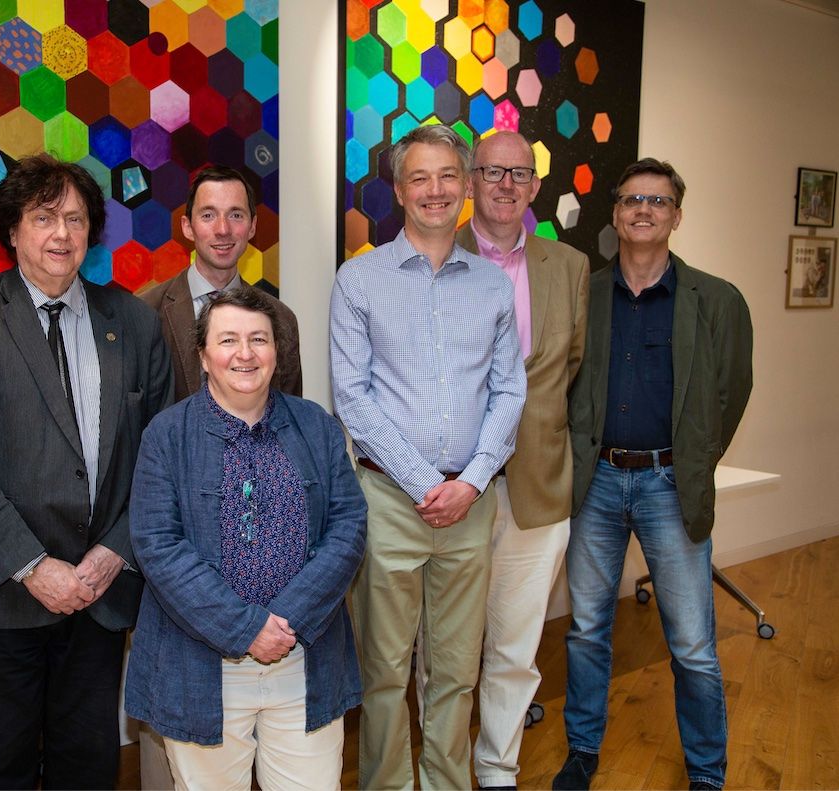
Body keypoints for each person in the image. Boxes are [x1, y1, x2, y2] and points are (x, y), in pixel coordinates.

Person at [0, 153, 173, 789]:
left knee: (87, 765)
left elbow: (160, 462)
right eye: (44, 217)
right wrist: (35, 568)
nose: (62, 234)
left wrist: (111, 554)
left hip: (99, 598)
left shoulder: (135, 322)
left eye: (75, 218)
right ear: (12, 230)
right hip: (5, 598)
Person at [330, 123, 527, 790]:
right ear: (398, 189)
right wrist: (423, 483)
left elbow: (508, 389)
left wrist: (469, 482)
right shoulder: (358, 279)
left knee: (455, 670)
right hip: (388, 500)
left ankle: (446, 782)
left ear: (466, 186)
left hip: (471, 502)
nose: (435, 190)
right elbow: (352, 399)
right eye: (420, 177)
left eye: (448, 176)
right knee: (383, 671)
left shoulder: (492, 287)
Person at [554, 159, 753, 791]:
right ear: (615, 214)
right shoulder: (587, 294)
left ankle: (707, 773)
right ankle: (583, 751)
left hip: (670, 485)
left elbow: (731, 391)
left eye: (659, 201)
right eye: (633, 199)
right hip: (598, 485)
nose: (644, 210)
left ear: (676, 216)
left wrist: (693, 459)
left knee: (692, 644)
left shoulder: (716, 300)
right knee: (586, 630)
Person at [126, 289, 366, 791]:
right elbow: (156, 545)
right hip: (203, 667)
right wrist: (246, 628)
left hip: (302, 658)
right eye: (228, 339)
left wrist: (288, 619)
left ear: (277, 353)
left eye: (259, 339)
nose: (245, 353)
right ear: (203, 356)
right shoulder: (165, 436)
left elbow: (348, 527)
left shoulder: (317, 427)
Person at [454, 131, 589, 790]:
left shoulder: (567, 267)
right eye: (492, 171)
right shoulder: (431, 255)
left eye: (518, 173)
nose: (505, 184)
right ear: (469, 180)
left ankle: (497, 770)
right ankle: (444, 768)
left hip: (537, 487)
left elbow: (572, 369)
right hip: (451, 494)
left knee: (513, 648)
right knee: (444, 649)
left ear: (533, 186)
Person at [141, 164, 301, 401]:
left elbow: (290, 418)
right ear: (188, 227)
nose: (223, 229)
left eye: (235, 215)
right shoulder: (145, 313)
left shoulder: (281, 318)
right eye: (208, 215)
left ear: (252, 227)